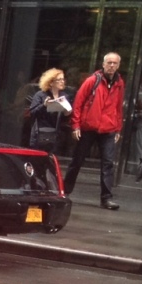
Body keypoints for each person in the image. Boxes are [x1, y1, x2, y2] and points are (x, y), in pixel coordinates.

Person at [64, 52, 125, 208]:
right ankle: (64, 191)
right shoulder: (92, 81)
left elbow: (118, 107)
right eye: (109, 62)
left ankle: (106, 198)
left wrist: (118, 129)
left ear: (118, 65)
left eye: (115, 63)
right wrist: (76, 125)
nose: (112, 65)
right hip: (89, 127)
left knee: (108, 163)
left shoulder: (119, 83)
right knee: (77, 160)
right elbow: (78, 102)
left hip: (108, 129)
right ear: (103, 64)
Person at [26, 68, 71, 154]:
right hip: (40, 134)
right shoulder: (40, 95)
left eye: (63, 79)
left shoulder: (64, 96)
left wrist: (67, 113)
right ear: (51, 82)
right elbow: (32, 113)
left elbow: (65, 119)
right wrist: (44, 105)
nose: (62, 81)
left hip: (57, 135)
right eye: (59, 79)